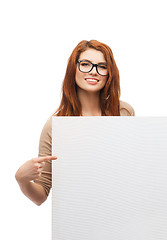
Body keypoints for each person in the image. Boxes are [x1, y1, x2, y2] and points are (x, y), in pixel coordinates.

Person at [15, 40, 135, 205]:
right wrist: (22, 180)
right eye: (85, 64)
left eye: (102, 66)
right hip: (76, 217)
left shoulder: (124, 112)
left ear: (110, 73)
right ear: (74, 68)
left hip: (120, 210)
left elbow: (132, 170)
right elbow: (41, 194)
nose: (94, 72)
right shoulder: (55, 125)